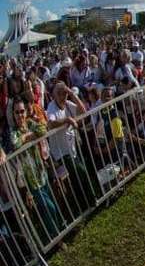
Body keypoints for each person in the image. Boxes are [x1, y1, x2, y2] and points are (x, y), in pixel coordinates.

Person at [9, 99, 62, 240]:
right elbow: (15, 143)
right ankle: (57, 235)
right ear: (13, 114)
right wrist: (28, 136)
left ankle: (55, 234)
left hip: (41, 170)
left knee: (48, 205)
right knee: (49, 206)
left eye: (22, 111)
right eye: (17, 112)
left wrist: (27, 136)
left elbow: (43, 129)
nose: (20, 115)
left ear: (25, 111)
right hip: (30, 177)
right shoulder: (13, 131)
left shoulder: (31, 123)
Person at [46, 83, 94, 213]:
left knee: (76, 179)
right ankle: (92, 201)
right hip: (61, 153)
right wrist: (67, 120)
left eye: (65, 92)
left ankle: (84, 206)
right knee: (81, 172)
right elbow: (51, 123)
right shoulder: (51, 107)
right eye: (60, 93)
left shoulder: (67, 103)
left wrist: (72, 94)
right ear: (54, 95)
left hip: (72, 148)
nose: (63, 95)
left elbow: (83, 111)